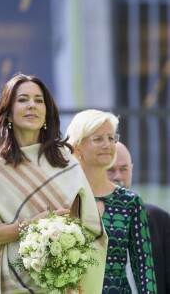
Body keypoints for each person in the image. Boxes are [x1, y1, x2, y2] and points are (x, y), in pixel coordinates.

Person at [0, 73, 108, 293]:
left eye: (39, 100)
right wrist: (29, 227)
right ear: (9, 113)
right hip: (6, 284)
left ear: (46, 112)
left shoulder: (66, 162)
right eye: (23, 99)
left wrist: (62, 239)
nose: (32, 105)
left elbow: (88, 228)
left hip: (58, 284)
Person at [66, 109, 157, 294]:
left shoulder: (130, 201)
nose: (107, 144)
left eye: (111, 138)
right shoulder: (61, 197)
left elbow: (144, 268)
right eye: (98, 139)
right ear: (77, 147)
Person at [107, 141, 170, 294]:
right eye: (111, 170)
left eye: (124, 169)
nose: (118, 176)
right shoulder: (87, 219)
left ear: (132, 170)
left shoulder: (159, 219)